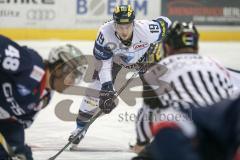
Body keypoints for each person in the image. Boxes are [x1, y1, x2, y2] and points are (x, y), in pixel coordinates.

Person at [68, 4, 172, 149]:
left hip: (144, 60)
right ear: (114, 24)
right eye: (120, 26)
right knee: (95, 90)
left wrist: (156, 47)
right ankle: (79, 128)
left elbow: (167, 22)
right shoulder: (105, 33)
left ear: (133, 23)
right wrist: (107, 88)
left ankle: (162, 133)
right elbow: (103, 62)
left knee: (157, 94)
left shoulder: (148, 30)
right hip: (115, 60)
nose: (124, 30)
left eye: (127, 26)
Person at [131, 21, 240, 154]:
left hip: (189, 136)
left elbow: (147, 113)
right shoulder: (215, 64)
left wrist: (141, 144)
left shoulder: (157, 71)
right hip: (226, 131)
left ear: (167, 47)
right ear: (196, 47)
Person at [0, 35, 87, 160]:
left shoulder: (44, 97)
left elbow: (16, 123)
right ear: (58, 69)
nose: (73, 82)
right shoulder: (30, 64)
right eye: (72, 76)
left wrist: (16, 147)